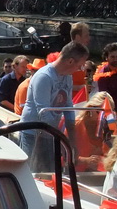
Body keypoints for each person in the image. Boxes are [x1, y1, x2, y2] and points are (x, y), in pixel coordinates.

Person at [18, 42, 90, 171]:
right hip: (32, 131)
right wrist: (62, 141)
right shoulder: (44, 77)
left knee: (51, 172)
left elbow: (68, 109)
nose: (81, 69)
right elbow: (44, 113)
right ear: (70, 61)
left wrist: (72, 143)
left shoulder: (67, 77)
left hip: (50, 132)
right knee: (31, 171)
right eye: (80, 65)